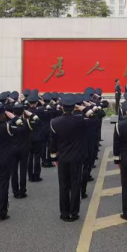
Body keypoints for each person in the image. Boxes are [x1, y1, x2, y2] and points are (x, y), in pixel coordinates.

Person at [49, 94, 86, 222]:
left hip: (63, 157)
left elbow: (52, 143)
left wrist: (54, 158)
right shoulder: (80, 120)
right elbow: (97, 114)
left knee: (63, 185)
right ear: (73, 107)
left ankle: (64, 212)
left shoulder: (55, 122)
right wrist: (82, 108)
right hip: (77, 157)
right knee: (75, 185)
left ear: (62, 107)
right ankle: (74, 212)